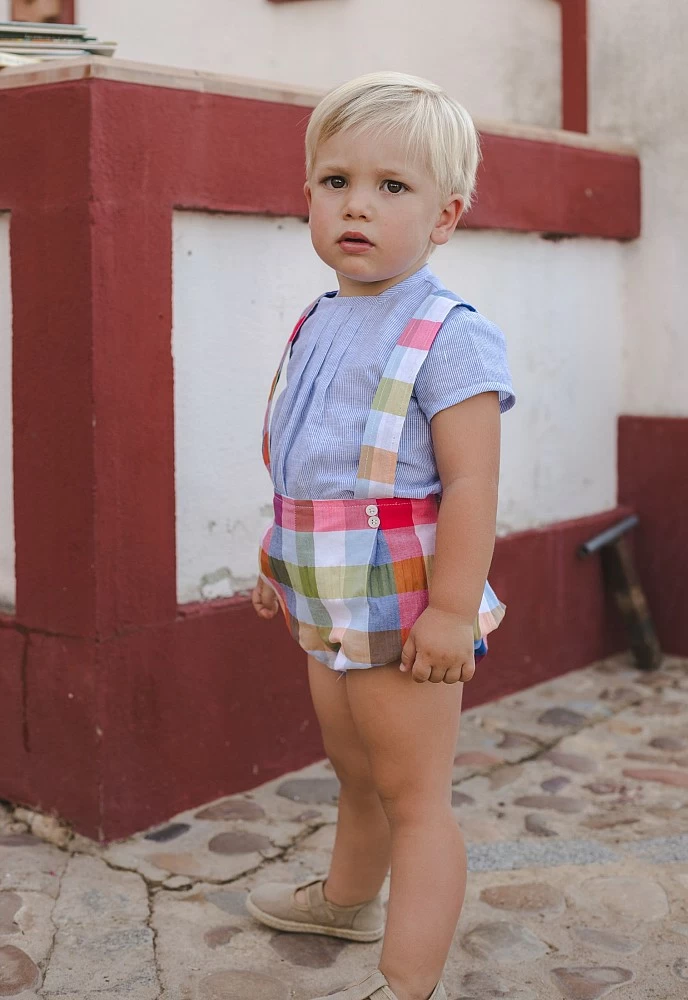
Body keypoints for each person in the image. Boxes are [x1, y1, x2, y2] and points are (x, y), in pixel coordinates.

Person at [248, 71, 516, 1000]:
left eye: (391, 188)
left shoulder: (449, 333)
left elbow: (473, 483)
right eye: (336, 181)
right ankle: (346, 899)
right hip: (324, 593)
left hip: (408, 606)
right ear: (309, 195)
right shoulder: (320, 319)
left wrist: (449, 611)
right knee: (352, 768)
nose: (357, 205)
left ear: (443, 217)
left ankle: (407, 982)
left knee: (414, 799)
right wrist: (274, 562)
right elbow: (309, 459)